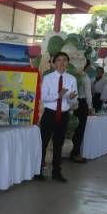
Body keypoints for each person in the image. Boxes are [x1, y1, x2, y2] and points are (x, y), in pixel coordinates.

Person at [36, 52, 77, 182]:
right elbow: (44, 98)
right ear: (54, 63)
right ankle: (38, 171)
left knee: (59, 144)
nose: (61, 62)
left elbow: (73, 102)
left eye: (64, 60)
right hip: (49, 114)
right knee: (43, 142)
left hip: (64, 114)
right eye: (58, 60)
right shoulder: (48, 78)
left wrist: (70, 99)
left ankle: (56, 172)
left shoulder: (72, 79)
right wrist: (58, 95)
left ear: (68, 63)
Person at [69, 61, 94, 163]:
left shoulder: (71, 75)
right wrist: (90, 106)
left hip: (70, 102)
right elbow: (88, 94)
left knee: (71, 129)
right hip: (81, 103)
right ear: (86, 66)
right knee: (79, 129)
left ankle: (71, 152)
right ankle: (75, 153)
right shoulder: (85, 77)